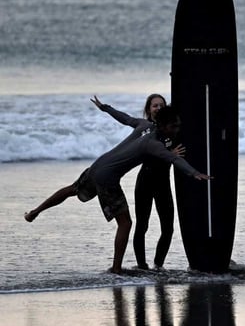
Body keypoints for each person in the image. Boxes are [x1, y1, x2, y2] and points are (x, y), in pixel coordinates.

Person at [24, 105, 211, 274]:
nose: (177, 130)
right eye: (174, 127)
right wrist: (193, 172)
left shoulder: (143, 124)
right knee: (126, 223)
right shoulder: (153, 144)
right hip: (108, 179)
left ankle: (34, 212)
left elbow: (126, 119)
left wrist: (106, 108)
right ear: (163, 126)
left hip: (98, 165)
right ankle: (116, 269)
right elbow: (174, 159)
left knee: (73, 189)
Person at [92, 94, 182, 269]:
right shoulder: (146, 128)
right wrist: (106, 108)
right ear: (148, 109)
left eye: (161, 105)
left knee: (168, 228)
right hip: (145, 182)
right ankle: (142, 266)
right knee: (142, 226)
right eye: (154, 105)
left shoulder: (172, 129)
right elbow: (125, 118)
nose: (158, 108)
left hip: (163, 183)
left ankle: (158, 266)